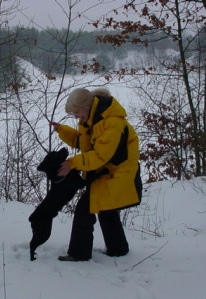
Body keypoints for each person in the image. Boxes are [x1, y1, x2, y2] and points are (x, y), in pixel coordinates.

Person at [50, 87, 142, 261]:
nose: (76, 116)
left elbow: (100, 155)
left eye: (77, 112)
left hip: (116, 174)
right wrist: (63, 130)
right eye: (73, 114)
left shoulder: (112, 122)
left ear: (87, 106)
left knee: (85, 210)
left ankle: (79, 254)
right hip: (107, 173)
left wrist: (72, 163)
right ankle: (119, 249)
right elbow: (85, 143)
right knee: (107, 211)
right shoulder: (92, 119)